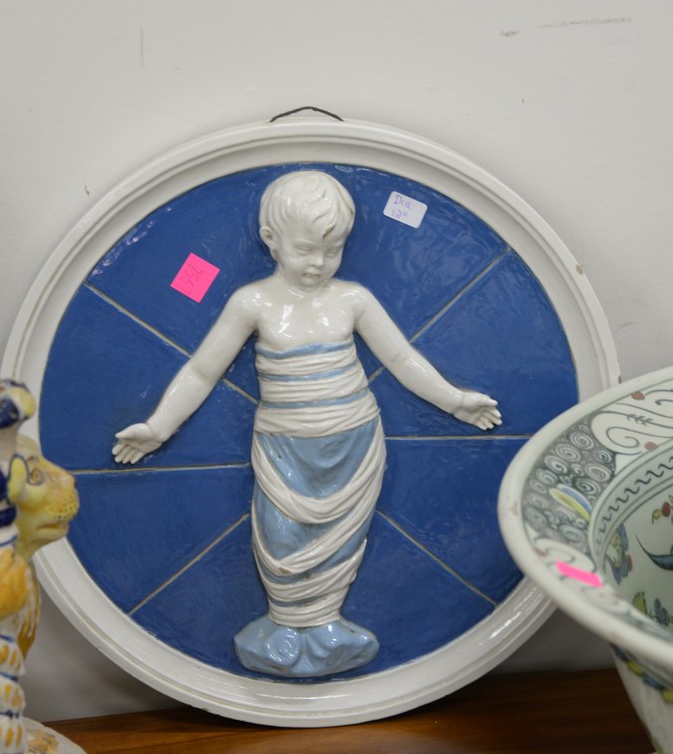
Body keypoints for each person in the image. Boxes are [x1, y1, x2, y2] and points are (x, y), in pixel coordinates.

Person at [112, 170, 500, 677]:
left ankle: (327, 628)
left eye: (332, 250)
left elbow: (402, 359)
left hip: (355, 443)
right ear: (270, 240)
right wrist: (159, 427)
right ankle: (284, 628)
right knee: (281, 538)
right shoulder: (252, 302)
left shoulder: (353, 299)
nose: (318, 263)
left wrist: (454, 401)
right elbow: (203, 370)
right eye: (305, 249)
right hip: (284, 450)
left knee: (342, 542)